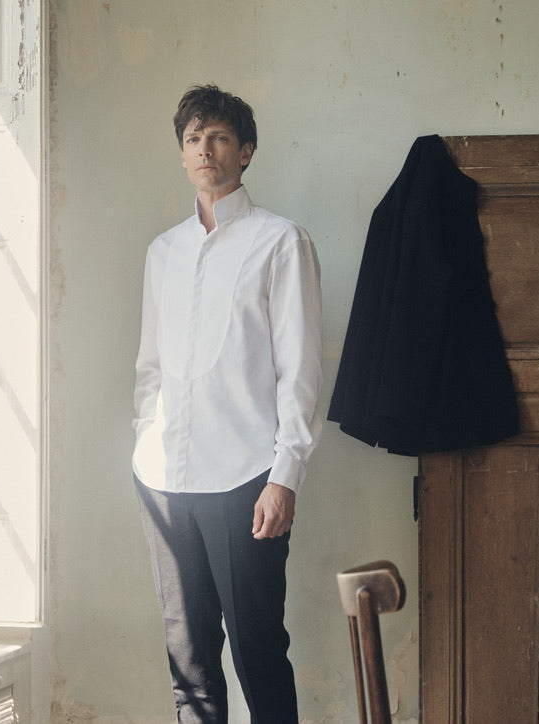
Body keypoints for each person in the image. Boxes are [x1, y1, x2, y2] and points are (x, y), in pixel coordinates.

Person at [132, 84, 323, 722]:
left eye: (217, 138)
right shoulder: (164, 253)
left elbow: (300, 371)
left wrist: (285, 477)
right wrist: (142, 448)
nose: (204, 150)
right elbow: (150, 368)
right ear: (183, 155)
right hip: (165, 481)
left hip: (247, 478)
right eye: (193, 139)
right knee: (188, 665)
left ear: (245, 151)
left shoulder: (280, 242)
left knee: (258, 652)